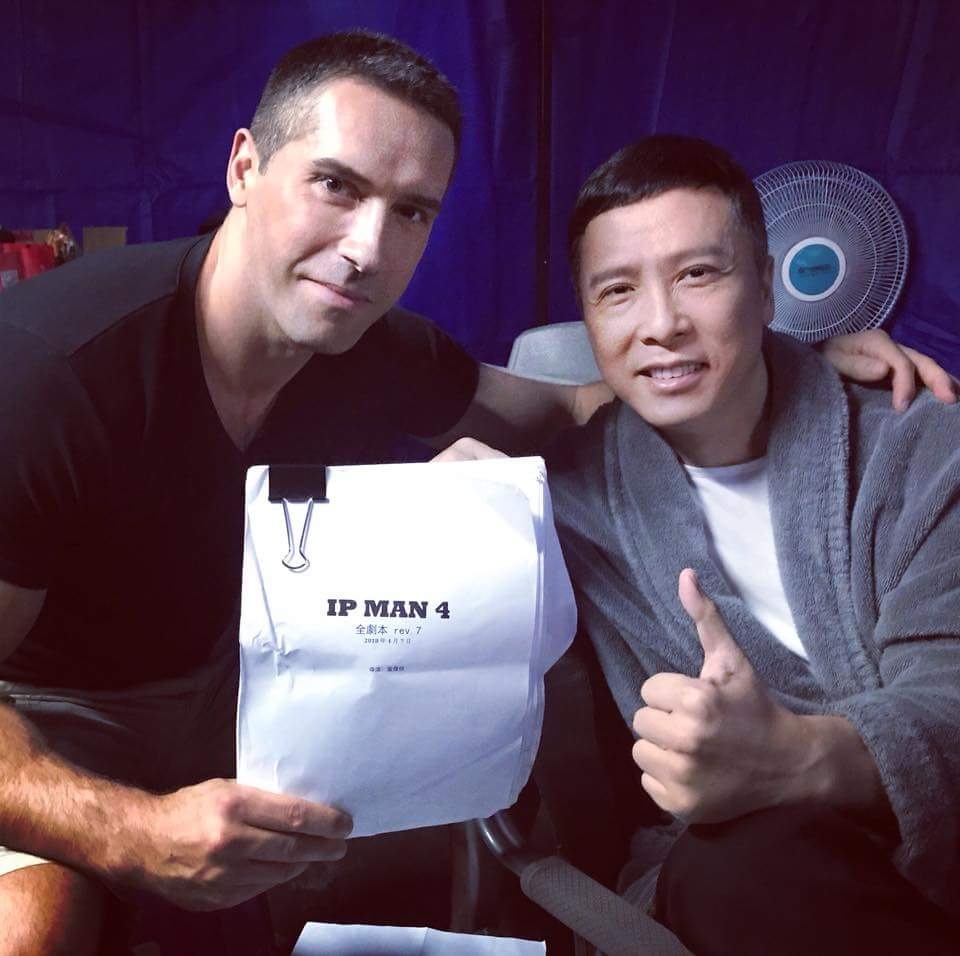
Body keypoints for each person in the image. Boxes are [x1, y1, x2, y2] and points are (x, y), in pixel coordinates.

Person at [0, 31, 951, 955]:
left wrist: (787, 363)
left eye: (412, 211)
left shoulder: (371, 350)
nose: (367, 248)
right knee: (36, 925)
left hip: (239, 687)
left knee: (379, 864)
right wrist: (132, 832)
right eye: (335, 185)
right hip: (49, 713)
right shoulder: (52, 374)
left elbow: (578, 400)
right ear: (245, 167)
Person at [542, 134, 960, 954]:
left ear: (766, 287)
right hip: (744, 883)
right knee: (738, 865)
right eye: (617, 290)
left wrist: (800, 756)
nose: (661, 324)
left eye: (698, 274)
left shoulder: (922, 448)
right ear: (588, 319)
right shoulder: (571, 501)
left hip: (929, 864)